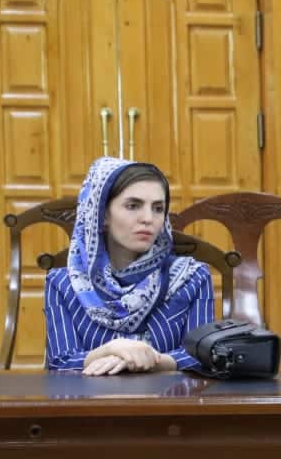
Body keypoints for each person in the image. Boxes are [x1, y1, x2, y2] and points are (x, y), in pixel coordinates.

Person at [45, 157, 214, 375]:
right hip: (89, 405)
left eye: (158, 208)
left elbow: (203, 357)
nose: (147, 218)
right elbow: (60, 362)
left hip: (169, 404)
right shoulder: (62, 283)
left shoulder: (191, 277)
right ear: (101, 214)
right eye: (133, 206)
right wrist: (110, 349)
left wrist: (155, 360)